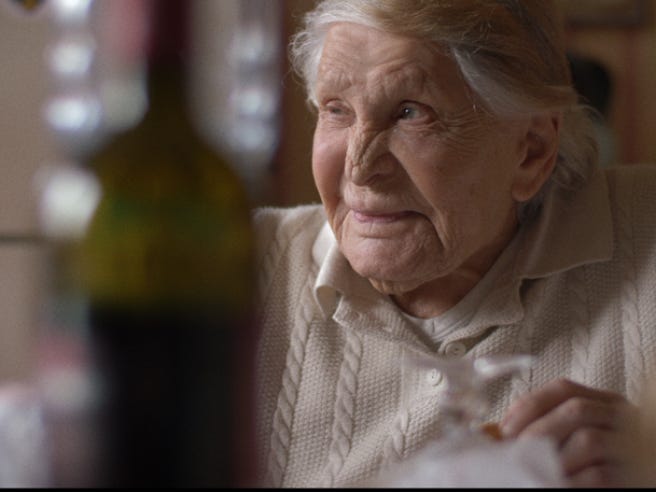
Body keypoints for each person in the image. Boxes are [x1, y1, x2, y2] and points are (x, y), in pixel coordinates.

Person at [252, 0, 656, 487]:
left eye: (409, 113)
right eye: (336, 110)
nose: (359, 167)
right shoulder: (239, 267)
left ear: (530, 151)